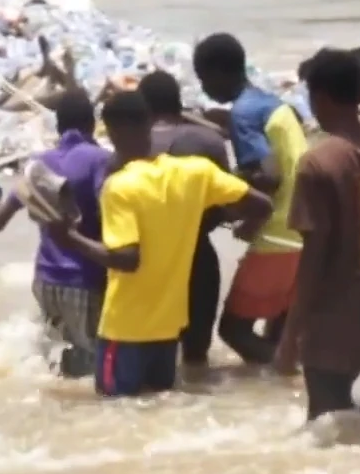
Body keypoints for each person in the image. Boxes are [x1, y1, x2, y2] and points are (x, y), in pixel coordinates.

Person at [53, 91, 273, 399]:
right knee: (158, 406)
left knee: (114, 413)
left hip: (124, 329)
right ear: (150, 123)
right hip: (169, 329)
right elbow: (261, 205)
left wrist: (70, 238)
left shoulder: (120, 187)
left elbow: (128, 259)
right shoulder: (196, 172)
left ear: (112, 132)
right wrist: (243, 230)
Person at [274, 47, 360, 422]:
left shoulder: (317, 163)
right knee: (343, 406)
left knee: (325, 415)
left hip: (331, 309)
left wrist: (291, 331)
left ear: (320, 97)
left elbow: (314, 256)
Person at [0, 89, 112, 377]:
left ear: (58, 126)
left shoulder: (37, 164)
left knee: (58, 367)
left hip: (46, 281)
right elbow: (112, 211)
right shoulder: (100, 160)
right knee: (96, 375)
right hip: (86, 281)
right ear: (92, 124)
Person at [192, 33, 306, 365]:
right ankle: (283, 391)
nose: (204, 87)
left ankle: (290, 375)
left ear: (216, 73)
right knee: (280, 329)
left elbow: (269, 175)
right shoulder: (271, 104)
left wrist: (250, 217)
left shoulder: (243, 114)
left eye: (203, 79)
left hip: (275, 235)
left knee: (232, 330)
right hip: (301, 231)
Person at [136, 70, 231, 367]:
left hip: (153, 263)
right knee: (196, 356)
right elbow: (226, 206)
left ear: (144, 107)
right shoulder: (209, 140)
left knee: (154, 357)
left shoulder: (135, 144)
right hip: (200, 256)